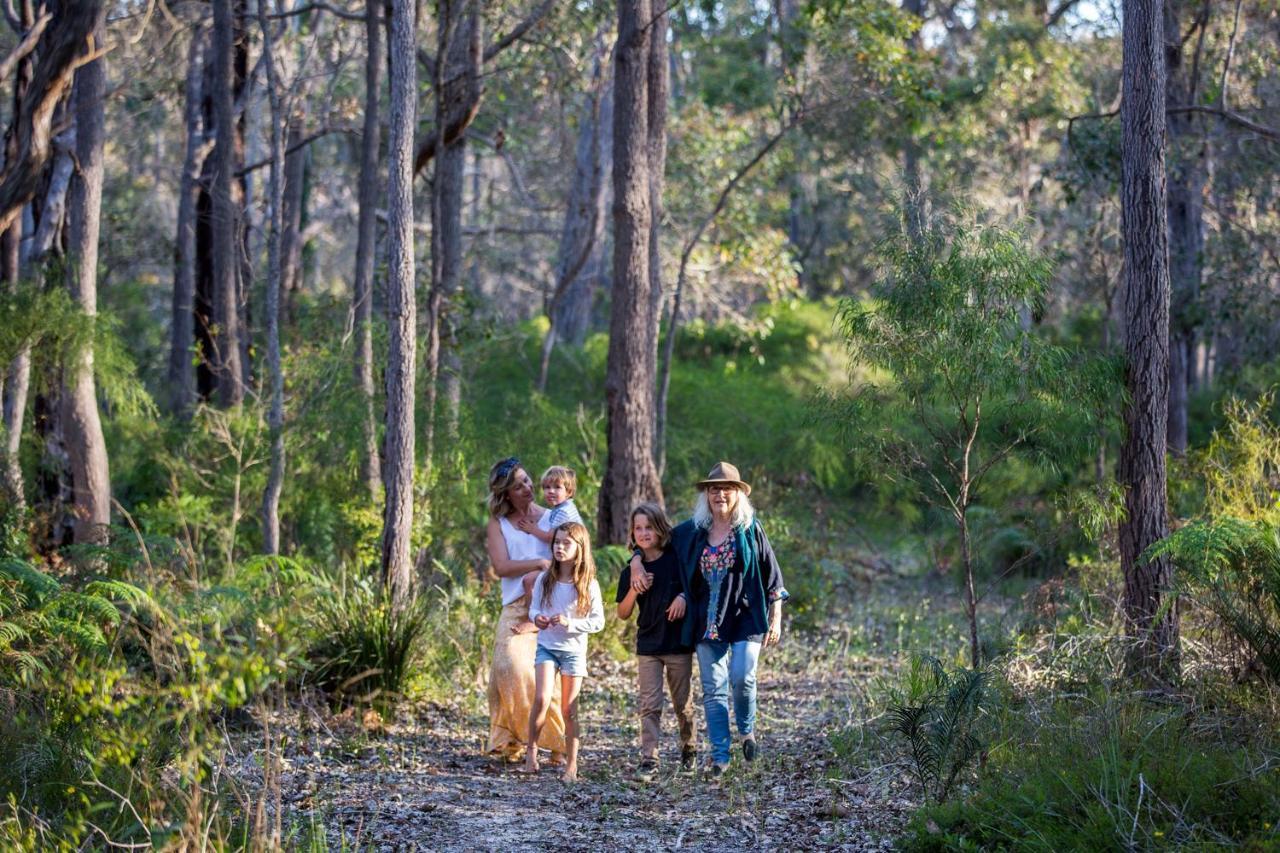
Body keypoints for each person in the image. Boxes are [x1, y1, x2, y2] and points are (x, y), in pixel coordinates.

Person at [657, 461, 787, 776]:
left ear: (738, 494)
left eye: (727, 489)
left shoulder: (750, 528)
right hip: (707, 619)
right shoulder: (692, 531)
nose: (720, 494)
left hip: (745, 615)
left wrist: (776, 615)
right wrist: (636, 561)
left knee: (743, 677)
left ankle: (746, 730)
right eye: (714, 489)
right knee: (714, 688)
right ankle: (720, 757)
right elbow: (653, 544)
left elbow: (772, 574)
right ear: (707, 495)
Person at [484, 456, 566, 763]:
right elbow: (501, 566)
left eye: (528, 481)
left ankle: (556, 741)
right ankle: (512, 740)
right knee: (506, 667)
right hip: (516, 605)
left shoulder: (550, 518)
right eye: (519, 486)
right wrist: (537, 562)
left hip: (548, 601)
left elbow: (571, 553)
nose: (528, 488)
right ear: (506, 494)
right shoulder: (499, 524)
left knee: (543, 671)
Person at [617, 502, 697, 776]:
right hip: (648, 645)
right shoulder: (631, 571)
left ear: (660, 528)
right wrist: (634, 588)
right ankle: (649, 759)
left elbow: (695, 587)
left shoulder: (676, 560)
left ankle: (690, 748)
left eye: (649, 527)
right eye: (638, 528)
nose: (643, 532)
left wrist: (683, 597)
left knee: (682, 704)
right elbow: (623, 613)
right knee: (649, 704)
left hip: (677, 645)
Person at [523, 522, 605, 781]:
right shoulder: (544, 579)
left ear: (579, 548)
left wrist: (572, 623)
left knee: (569, 709)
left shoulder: (588, 583)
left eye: (566, 543)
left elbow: (598, 621)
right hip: (547, 646)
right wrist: (538, 619)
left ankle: (571, 764)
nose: (559, 547)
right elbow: (534, 609)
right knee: (542, 698)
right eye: (557, 542)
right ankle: (531, 751)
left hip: (573, 651)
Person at [519, 466, 584, 544]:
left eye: (557, 487)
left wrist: (532, 529)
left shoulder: (562, 512)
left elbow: (550, 538)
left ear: (568, 492)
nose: (551, 491)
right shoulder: (568, 506)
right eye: (547, 487)